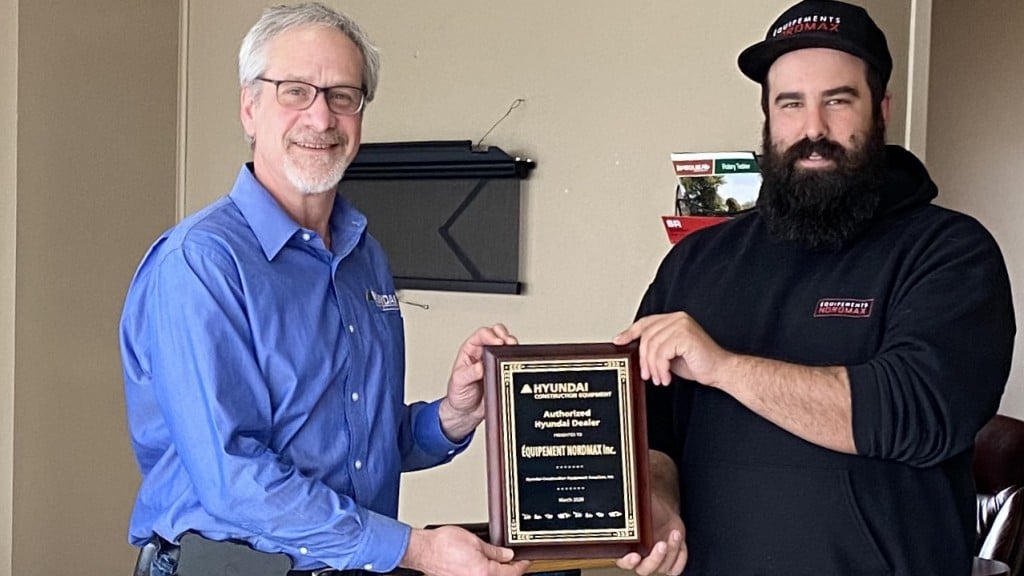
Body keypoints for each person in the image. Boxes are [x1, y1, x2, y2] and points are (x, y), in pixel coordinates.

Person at [119, 4, 530, 576]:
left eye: (343, 95)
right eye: (295, 91)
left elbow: (356, 444)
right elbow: (233, 477)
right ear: (249, 106)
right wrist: (418, 549)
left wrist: (453, 417)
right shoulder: (201, 265)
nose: (321, 117)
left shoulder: (363, 255)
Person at [612, 1, 1016, 575]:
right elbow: (649, 424)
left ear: (881, 110)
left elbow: (920, 413)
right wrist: (657, 501)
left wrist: (723, 367)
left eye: (838, 100)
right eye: (791, 103)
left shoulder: (949, 251)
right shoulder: (696, 262)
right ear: (768, 118)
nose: (813, 130)